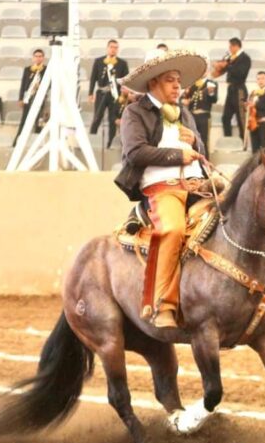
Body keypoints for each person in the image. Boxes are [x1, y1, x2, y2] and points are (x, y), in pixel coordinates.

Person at [115, 48, 208, 328]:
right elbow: (135, 153)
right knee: (173, 230)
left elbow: (202, 152)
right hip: (162, 187)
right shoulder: (134, 113)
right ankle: (161, 304)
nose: (178, 85)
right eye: (170, 79)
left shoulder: (185, 113)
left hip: (198, 186)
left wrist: (195, 143)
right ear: (153, 82)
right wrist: (178, 155)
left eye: (178, 80)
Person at [89, 39, 130, 148]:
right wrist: (90, 93)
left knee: (112, 120)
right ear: (107, 48)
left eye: (116, 48)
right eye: (111, 47)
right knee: (97, 117)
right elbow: (93, 78)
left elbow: (125, 81)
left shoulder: (122, 63)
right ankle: (91, 140)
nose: (113, 49)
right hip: (101, 93)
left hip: (115, 95)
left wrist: (123, 96)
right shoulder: (98, 61)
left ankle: (110, 144)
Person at [218, 38, 251, 140]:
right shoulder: (230, 57)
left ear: (236, 46)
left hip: (239, 89)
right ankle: (228, 141)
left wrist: (228, 65)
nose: (229, 48)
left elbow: (241, 73)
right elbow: (223, 68)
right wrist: (221, 65)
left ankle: (243, 142)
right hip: (231, 88)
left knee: (241, 118)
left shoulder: (245, 58)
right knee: (225, 117)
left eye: (230, 46)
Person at [181, 71, 218, 160]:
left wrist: (211, 93)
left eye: (205, 70)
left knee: (204, 141)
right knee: (191, 140)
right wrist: (184, 97)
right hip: (192, 116)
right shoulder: (192, 84)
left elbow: (214, 99)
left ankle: (205, 164)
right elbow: (185, 98)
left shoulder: (212, 83)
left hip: (204, 115)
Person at [14, 48, 47, 145]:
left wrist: (40, 86)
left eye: (40, 56)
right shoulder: (27, 70)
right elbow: (23, 84)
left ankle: (38, 143)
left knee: (39, 122)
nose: (38, 58)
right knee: (24, 121)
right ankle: (17, 142)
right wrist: (21, 98)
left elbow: (50, 84)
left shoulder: (46, 70)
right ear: (33, 58)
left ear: (43, 58)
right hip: (28, 99)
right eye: (36, 56)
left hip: (40, 99)